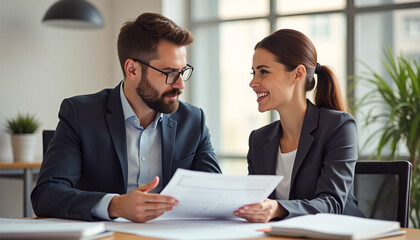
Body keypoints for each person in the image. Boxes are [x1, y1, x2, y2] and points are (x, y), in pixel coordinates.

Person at [31, 12, 221, 223]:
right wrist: (116, 205)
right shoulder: (80, 114)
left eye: (183, 71)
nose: (180, 84)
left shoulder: (193, 120)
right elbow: (46, 195)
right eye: (169, 73)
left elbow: (216, 195)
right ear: (132, 69)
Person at [233, 29, 364, 223]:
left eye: (264, 72)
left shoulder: (338, 126)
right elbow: (256, 201)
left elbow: (332, 203)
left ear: (298, 74)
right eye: (254, 73)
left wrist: (278, 208)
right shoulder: (259, 139)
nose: (253, 82)